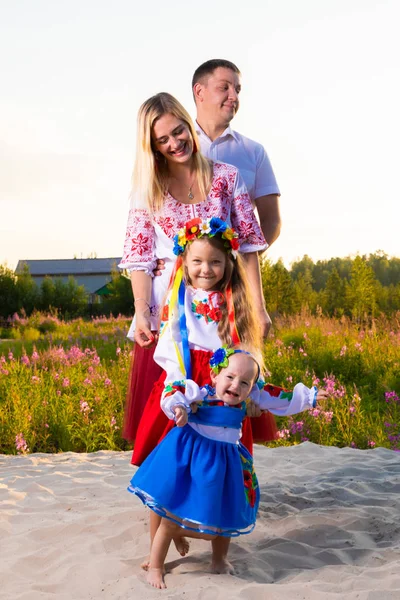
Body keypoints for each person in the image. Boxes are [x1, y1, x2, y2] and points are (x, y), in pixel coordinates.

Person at [118, 92, 271, 444]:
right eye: (163, 139)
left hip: (222, 303)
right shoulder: (148, 189)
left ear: (189, 124)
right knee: (173, 398)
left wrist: (258, 309)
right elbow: (139, 257)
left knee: (225, 389)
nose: (175, 143)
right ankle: (175, 484)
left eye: (178, 131)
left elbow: (248, 248)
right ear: (153, 146)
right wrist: (142, 312)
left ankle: (225, 473)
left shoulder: (226, 177)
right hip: (170, 306)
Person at [129, 347, 329, 589]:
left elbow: (279, 397)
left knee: (224, 517)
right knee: (172, 518)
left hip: (226, 464)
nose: (236, 386)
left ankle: (219, 560)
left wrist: (310, 397)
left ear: (252, 387)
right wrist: (179, 407)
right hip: (194, 460)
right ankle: (157, 565)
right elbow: (175, 388)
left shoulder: (251, 398)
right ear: (215, 375)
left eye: (245, 383)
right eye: (230, 377)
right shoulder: (201, 393)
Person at [131, 217, 266, 573]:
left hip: (225, 390)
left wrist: (248, 390)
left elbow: (247, 352)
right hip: (185, 379)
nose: (206, 269)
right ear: (184, 262)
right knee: (170, 469)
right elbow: (171, 342)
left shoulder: (236, 300)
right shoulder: (179, 297)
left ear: (227, 264)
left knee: (216, 468)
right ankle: (154, 548)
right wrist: (179, 387)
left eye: (216, 262)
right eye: (197, 261)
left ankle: (215, 548)